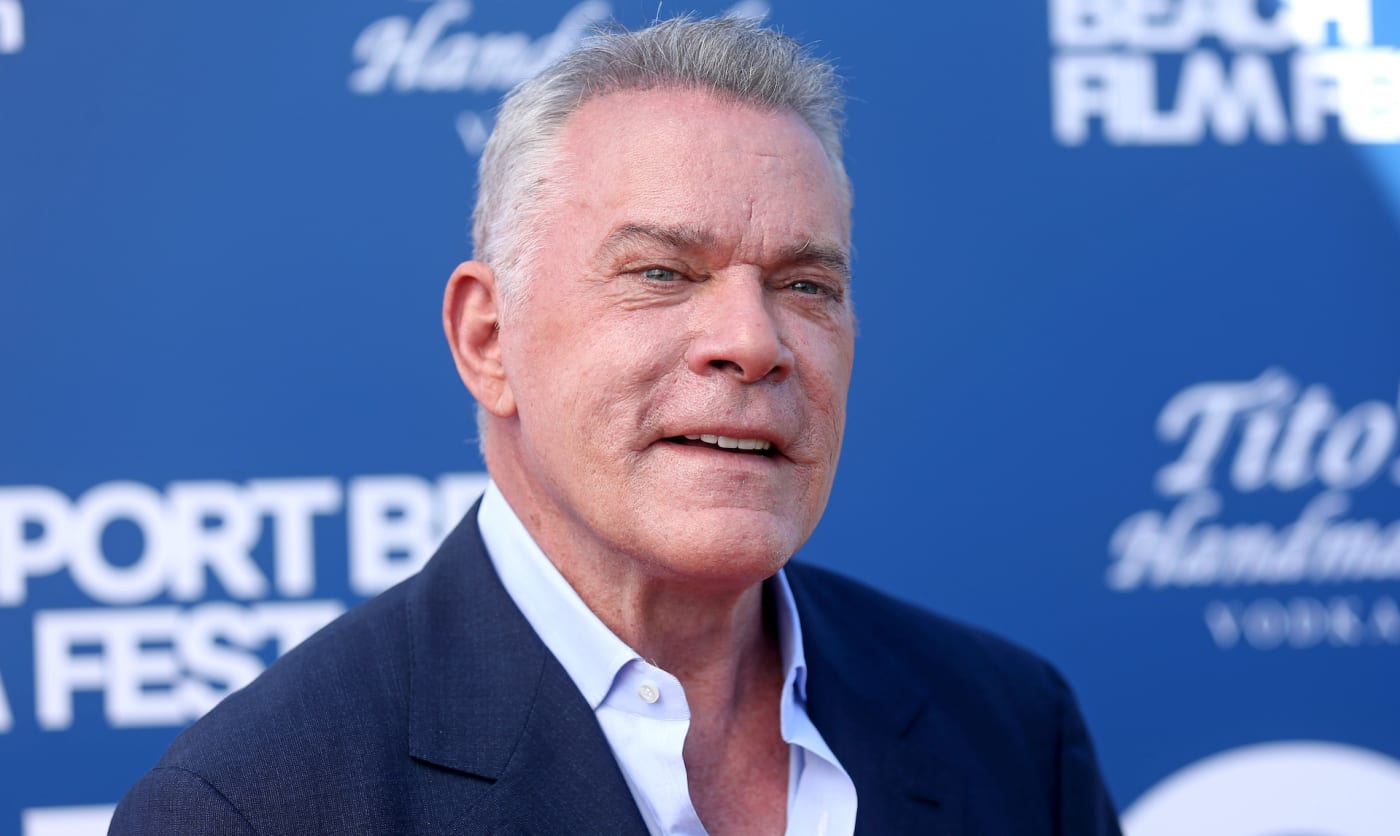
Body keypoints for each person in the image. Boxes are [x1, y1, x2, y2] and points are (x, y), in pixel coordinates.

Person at [112, 16, 1122, 835]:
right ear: (488, 338)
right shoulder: (255, 808)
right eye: (661, 272)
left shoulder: (1010, 729)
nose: (752, 341)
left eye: (805, 284)